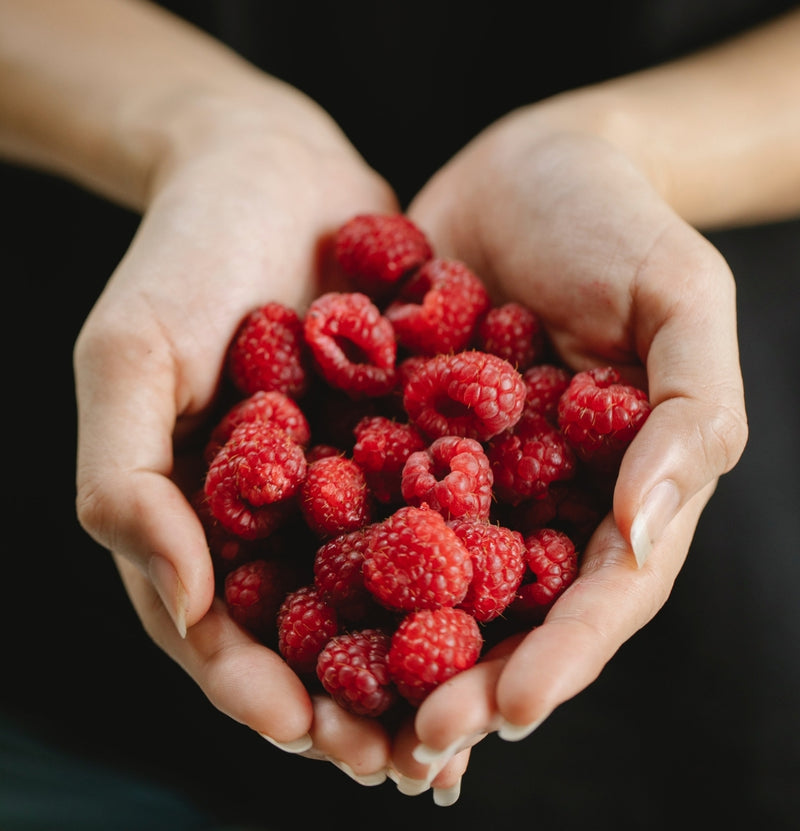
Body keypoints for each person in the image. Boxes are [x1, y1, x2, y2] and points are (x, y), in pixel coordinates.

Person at [1, 0, 798, 827]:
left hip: (702, 706)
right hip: (86, 691)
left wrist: (630, 151)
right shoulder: (349, 472)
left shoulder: (476, 458)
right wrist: (203, 129)